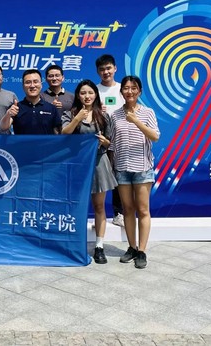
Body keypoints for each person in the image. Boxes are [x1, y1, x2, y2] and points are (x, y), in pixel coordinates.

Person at [61, 80, 117, 264]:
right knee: (76, 205)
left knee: (99, 206)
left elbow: (110, 143)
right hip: (78, 165)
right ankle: (74, 243)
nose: (87, 96)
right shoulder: (70, 114)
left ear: (95, 95)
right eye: (83, 93)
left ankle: (99, 246)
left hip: (99, 164)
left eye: (90, 93)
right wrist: (77, 118)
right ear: (78, 95)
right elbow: (64, 133)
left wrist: (104, 142)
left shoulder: (103, 116)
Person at [110, 76, 160, 269]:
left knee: (143, 210)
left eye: (133, 88)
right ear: (121, 91)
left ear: (139, 91)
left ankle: (142, 251)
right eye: (126, 88)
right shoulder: (115, 115)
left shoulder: (148, 112)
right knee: (128, 210)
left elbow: (155, 136)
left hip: (142, 169)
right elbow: (113, 143)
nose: (129, 91)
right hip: (122, 168)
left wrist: (136, 121)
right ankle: (132, 247)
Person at [96, 54, 126, 228]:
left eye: (108, 68)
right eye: (102, 69)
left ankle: (118, 213)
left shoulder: (124, 89)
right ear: (98, 72)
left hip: (121, 138)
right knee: (99, 178)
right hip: (100, 139)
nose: (106, 72)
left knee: (119, 176)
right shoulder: (94, 90)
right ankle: (98, 216)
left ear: (115, 68)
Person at [0, 69, 61, 135]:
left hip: (46, 142)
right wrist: (8, 114)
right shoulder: (16, 108)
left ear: (41, 85)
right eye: (28, 82)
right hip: (21, 142)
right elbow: (3, 128)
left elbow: (57, 133)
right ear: (23, 86)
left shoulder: (51, 108)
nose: (32, 85)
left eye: (35, 82)